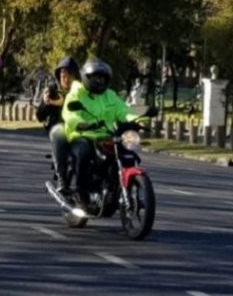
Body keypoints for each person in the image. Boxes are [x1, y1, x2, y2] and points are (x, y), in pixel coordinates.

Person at [60, 58, 156, 214]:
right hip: (82, 134)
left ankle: (114, 187)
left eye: (102, 78)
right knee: (84, 151)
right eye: (95, 78)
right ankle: (80, 192)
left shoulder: (110, 95)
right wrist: (82, 123)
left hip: (105, 135)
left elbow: (123, 111)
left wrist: (138, 120)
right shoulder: (77, 92)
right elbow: (70, 114)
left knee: (124, 151)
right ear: (86, 77)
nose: (99, 81)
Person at [37, 56, 81, 192]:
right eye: (63, 76)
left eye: (69, 76)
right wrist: (46, 103)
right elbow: (40, 116)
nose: (66, 79)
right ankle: (62, 180)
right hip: (59, 126)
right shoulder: (52, 91)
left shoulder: (81, 91)